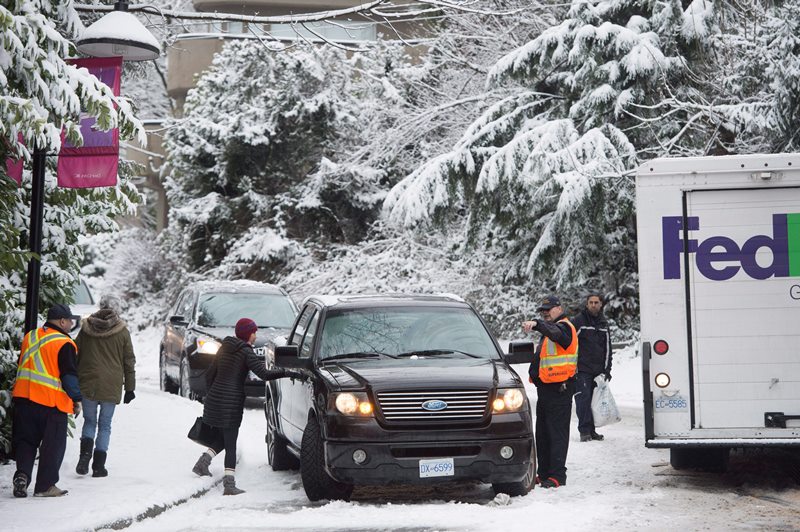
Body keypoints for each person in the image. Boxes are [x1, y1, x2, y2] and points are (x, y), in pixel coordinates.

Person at [191, 317, 301, 495]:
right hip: (231, 403)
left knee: (224, 438)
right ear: (248, 334)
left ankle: (202, 463)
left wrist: (212, 395)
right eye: (254, 332)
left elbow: (209, 374)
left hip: (215, 400)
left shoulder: (224, 348)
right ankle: (229, 484)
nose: (255, 336)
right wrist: (287, 372)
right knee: (231, 443)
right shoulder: (246, 352)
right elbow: (264, 373)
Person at [11, 303, 83, 498]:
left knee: (26, 441)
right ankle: (45, 486)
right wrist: (76, 398)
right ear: (62, 321)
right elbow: (68, 375)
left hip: (23, 400)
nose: (71, 324)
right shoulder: (64, 343)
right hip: (50, 404)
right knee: (53, 445)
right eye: (70, 320)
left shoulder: (31, 336)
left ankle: (22, 475)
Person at [74, 295, 136, 477]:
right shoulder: (122, 331)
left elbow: (76, 353)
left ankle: (84, 457)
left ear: (100, 307)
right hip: (111, 383)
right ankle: (98, 466)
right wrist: (130, 388)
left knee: (90, 421)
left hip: (88, 382)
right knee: (105, 425)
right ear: (116, 309)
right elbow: (129, 361)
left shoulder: (86, 328)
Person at [523, 295, 578, 489]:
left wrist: (537, 324)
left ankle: (557, 475)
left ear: (559, 308)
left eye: (549, 309)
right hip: (546, 389)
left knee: (557, 434)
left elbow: (555, 332)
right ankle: (544, 473)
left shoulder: (564, 328)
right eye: (542, 311)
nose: (545, 313)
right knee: (543, 434)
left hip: (560, 389)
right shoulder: (550, 331)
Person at [572, 293, 613, 442]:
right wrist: (572, 367)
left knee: (594, 401)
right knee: (583, 400)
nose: (593, 305)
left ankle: (592, 430)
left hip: (598, 371)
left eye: (596, 302)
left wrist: (607, 370)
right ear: (587, 304)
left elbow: (608, 348)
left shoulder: (603, 323)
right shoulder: (579, 321)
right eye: (591, 302)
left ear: (601, 304)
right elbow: (571, 345)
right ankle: (584, 431)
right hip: (582, 370)